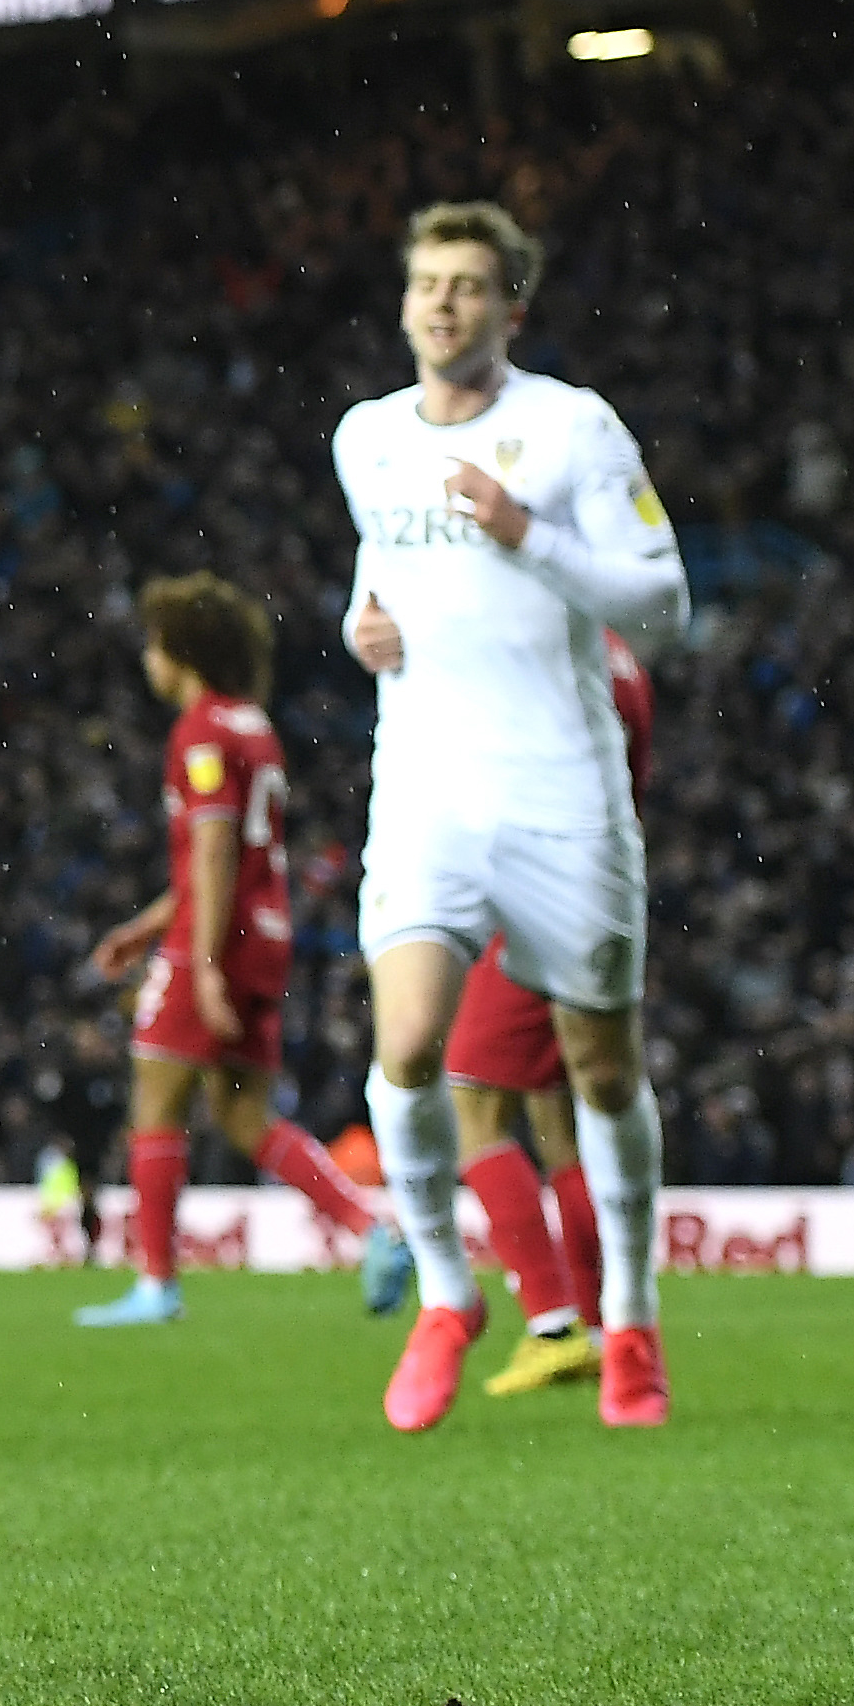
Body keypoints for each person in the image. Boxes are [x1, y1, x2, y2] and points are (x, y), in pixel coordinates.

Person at [337, 200, 689, 1431]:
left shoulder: (569, 428)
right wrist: (356, 630)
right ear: (404, 303)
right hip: (427, 787)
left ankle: (632, 1324)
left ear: (510, 309)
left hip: (559, 792)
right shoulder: (366, 439)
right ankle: (448, 1296)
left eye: (469, 286)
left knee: (600, 1072)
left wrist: (526, 533)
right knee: (406, 1052)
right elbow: (373, 587)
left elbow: (661, 606)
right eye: (426, 283)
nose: (443, 303)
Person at [69, 573, 391, 1326]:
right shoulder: (253, 726)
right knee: (244, 1114)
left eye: (155, 645)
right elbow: (230, 857)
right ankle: (370, 1229)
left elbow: (214, 851)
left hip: (215, 944)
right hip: (264, 936)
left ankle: (156, 1283)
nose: (149, 659)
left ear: (181, 652)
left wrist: (200, 962)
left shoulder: (202, 730)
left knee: (156, 1097)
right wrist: (147, 926)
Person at [434, 627, 657, 1396]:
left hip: (536, 894)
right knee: (558, 1121)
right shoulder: (619, 658)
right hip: (599, 887)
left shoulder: (542, 651)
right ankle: (599, 1327)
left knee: (470, 1101)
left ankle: (551, 1320)